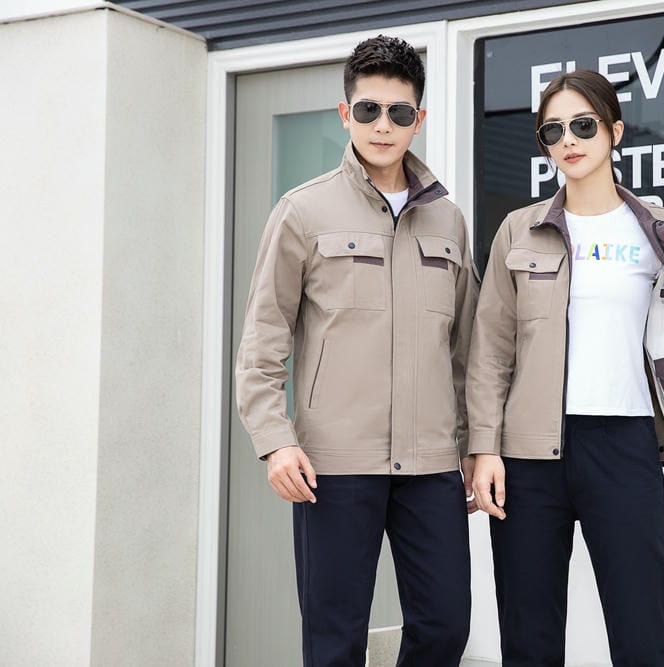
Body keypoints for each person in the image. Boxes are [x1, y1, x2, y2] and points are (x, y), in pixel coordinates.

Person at [466, 70, 664, 666]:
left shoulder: (657, 227)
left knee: (645, 630)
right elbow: (490, 350)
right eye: (553, 131)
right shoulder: (519, 229)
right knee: (529, 635)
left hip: (624, 444)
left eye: (583, 125)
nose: (568, 140)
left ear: (615, 132)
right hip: (528, 453)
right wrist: (483, 448)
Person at [234, 35, 478, 666]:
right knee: (334, 640)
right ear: (346, 114)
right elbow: (262, 341)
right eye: (369, 109)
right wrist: (275, 439)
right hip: (335, 465)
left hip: (430, 465)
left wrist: (476, 445)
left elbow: (467, 350)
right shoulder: (303, 212)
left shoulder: (448, 221)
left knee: (446, 626)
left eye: (399, 112)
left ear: (419, 119)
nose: (383, 125)